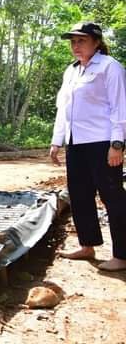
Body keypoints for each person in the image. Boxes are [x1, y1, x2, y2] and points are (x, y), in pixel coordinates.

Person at [50, 21, 126, 272]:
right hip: (77, 142)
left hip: (102, 142)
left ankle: (122, 255)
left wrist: (117, 144)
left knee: (112, 197)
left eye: (81, 40)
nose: (76, 46)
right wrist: (56, 140)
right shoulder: (71, 71)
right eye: (73, 41)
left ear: (96, 42)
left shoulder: (110, 67)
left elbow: (120, 108)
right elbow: (64, 109)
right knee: (80, 195)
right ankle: (88, 245)